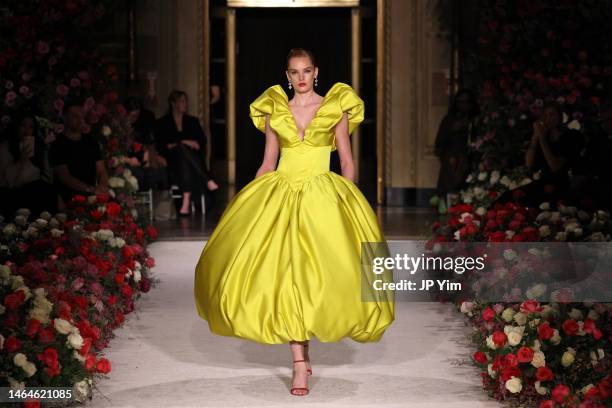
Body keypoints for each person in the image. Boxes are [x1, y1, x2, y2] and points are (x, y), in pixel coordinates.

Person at [194, 48, 395, 396]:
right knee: (285, 277)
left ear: (316, 72)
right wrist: (251, 203)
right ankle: (299, 362)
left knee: (321, 277)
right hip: (282, 195)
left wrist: (348, 202)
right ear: (286, 75)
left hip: (323, 197)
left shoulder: (335, 108)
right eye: (293, 72)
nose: (300, 77)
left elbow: (346, 161)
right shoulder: (276, 109)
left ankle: (304, 345)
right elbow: (268, 162)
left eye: (306, 71)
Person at [498, 102, 585, 207]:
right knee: (506, 198)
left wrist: (542, 140)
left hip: (562, 184)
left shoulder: (571, 136)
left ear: (560, 117)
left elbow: (555, 167)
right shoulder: (544, 136)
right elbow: (529, 164)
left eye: (552, 115)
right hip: (543, 182)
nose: (548, 118)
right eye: (546, 115)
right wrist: (535, 136)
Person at [154, 91, 218, 216]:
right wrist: (183, 142)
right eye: (182, 101)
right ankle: (207, 179)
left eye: (186, 101)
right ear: (173, 103)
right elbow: (162, 145)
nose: (186, 104)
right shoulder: (163, 122)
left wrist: (180, 144)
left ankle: (186, 202)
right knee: (181, 149)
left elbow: (200, 143)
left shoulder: (192, 121)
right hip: (172, 162)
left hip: (191, 161)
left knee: (184, 156)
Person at [49, 102, 109, 207]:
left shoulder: (91, 142)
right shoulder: (57, 144)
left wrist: (102, 186)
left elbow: (101, 170)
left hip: (92, 195)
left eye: (82, 116)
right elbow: (64, 176)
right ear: (64, 117)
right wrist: (91, 189)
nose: (81, 120)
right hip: (68, 198)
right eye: (75, 116)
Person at [0, 113, 57, 216]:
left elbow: (47, 177)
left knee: (47, 191)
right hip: (12, 192)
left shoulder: (38, 146)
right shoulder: (6, 147)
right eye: (23, 125)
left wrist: (45, 151)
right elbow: (6, 181)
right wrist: (21, 160)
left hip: (35, 189)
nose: (26, 130)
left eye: (31, 127)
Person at [433, 89, 479, 213]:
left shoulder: (476, 120)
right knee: (450, 179)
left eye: (467, 102)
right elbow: (440, 141)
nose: (464, 105)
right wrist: (454, 129)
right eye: (460, 102)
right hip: (452, 158)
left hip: (472, 158)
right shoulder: (449, 120)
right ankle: (445, 203)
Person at [125, 97, 167, 190]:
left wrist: (148, 162)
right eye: (132, 116)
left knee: (158, 172)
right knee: (139, 174)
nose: (135, 119)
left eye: (137, 116)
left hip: (140, 160)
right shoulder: (119, 128)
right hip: (126, 161)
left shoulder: (140, 127)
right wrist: (129, 160)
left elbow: (146, 146)